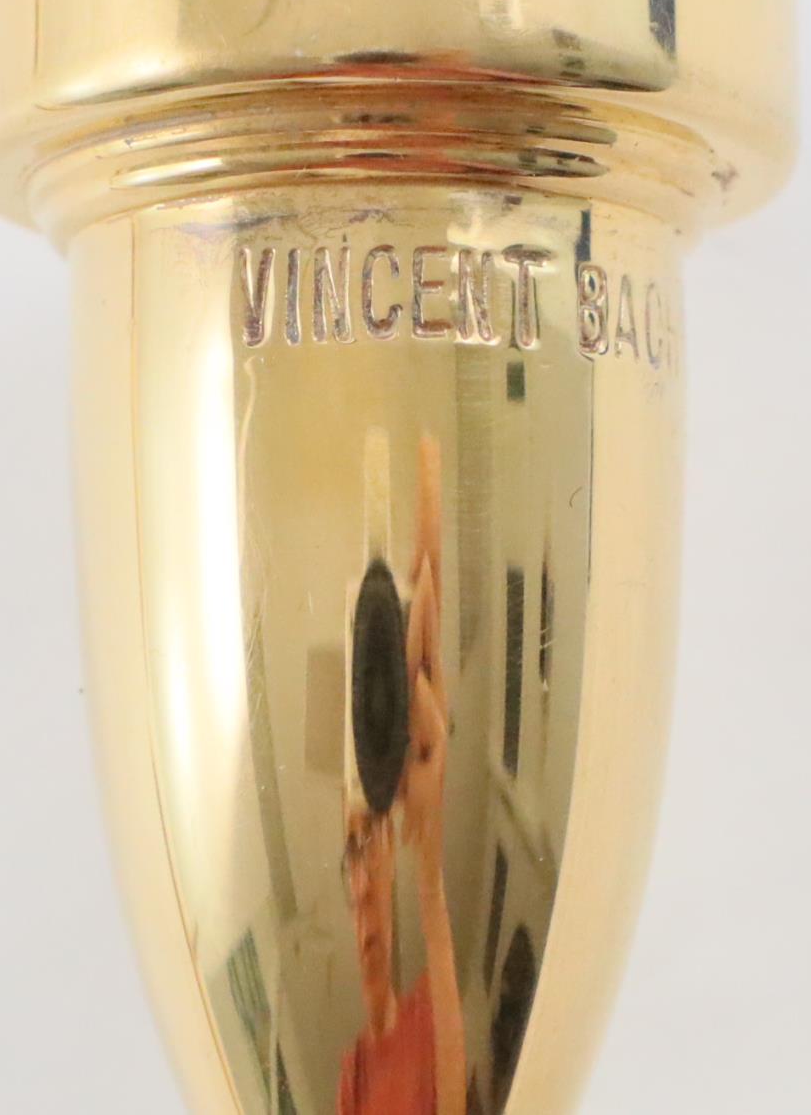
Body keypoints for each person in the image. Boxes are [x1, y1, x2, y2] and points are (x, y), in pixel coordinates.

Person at [337, 437, 465, 1115]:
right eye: (352, 865)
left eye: (368, 856)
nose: (360, 890)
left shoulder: (428, 1015)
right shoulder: (352, 1069)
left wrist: (429, 473)